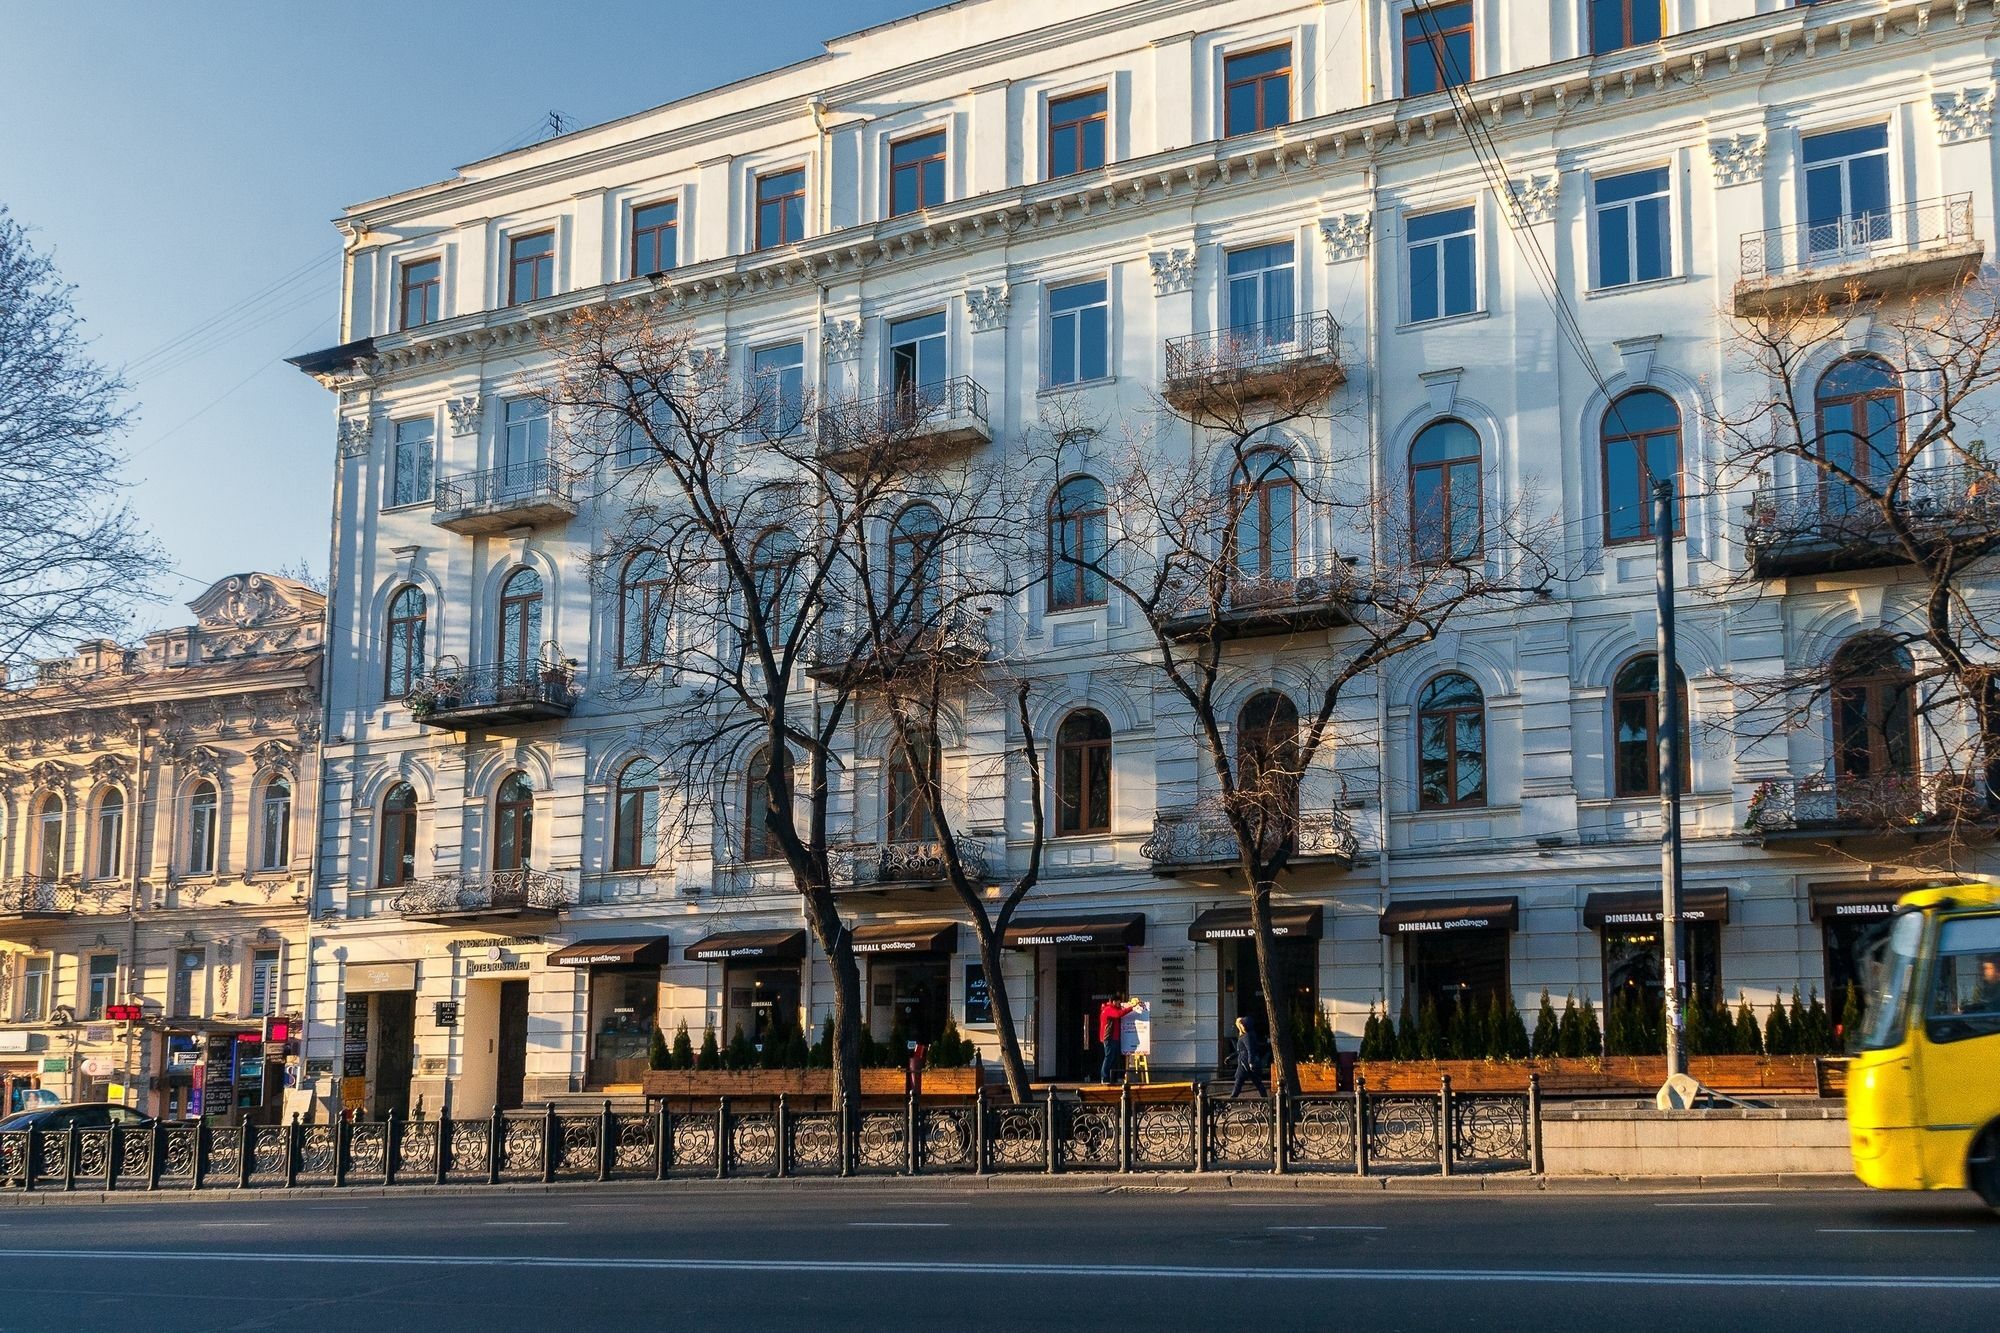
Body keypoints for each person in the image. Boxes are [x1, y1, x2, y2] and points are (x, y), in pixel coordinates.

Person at [1097, 994, 1139, 1084]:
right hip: (1109, 1037)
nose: (1120, 1004)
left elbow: (1119, 1011)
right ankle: (1104, 1077)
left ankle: (1113, 1078)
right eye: (1118, 1002)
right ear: (1114, 1001)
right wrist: (1131, 1007)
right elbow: (1118, 1014)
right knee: (1109, 1057)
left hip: (1114, 1037)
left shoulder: (1113, 1008)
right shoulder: (1108, 1009)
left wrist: (1129, 1005)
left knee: (1114, 1058)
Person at [1229, 1016, 1268, 1099]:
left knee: (1238, 1081)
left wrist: (1250, 1062)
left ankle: (1230, 1100)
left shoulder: (1246, 1036)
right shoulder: (1249, 1035)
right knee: (1257, 1082)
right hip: (1248, 1062)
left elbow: (1249, 1049)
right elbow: (1241, 1050)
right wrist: (1230, 1057)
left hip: (1245, 1062)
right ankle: (1266, 1100)